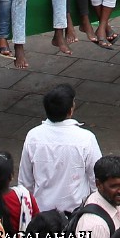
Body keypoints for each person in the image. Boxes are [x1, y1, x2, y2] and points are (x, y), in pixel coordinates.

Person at [17, 84, 102, 214]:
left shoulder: (33, 137)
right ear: (70, 111)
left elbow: (25, 183)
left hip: (42, 215)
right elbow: (96, 179)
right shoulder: (86, 138)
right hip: (76, 214)